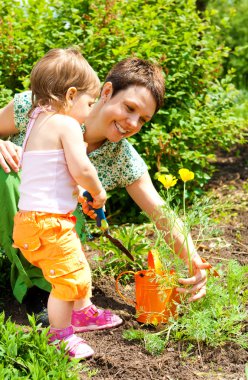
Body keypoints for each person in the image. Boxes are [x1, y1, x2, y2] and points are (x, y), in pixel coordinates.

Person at [0, 56, 209, 317]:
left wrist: (194, 261)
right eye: (129, 108)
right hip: (13, 212)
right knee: (6, 170)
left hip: (51, 234)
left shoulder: (121, 157)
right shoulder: (39, 106)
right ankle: (38, 287)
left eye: (143, 120)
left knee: (72, 202)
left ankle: (52, 289)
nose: (133, 124)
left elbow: (160, 211)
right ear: (107, 92)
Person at [11, 47, 122, 359]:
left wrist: (77, 193)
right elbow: (82, 168)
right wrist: (97, 192)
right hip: (49, 222)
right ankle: (60, 335)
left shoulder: (36, 120)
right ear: (71, 95)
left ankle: (83, 312)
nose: (89, 111)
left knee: (76, 267)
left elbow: (54, 171)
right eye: (89, 102)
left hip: (32, 221)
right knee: (69, 279)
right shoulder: (67, 124)